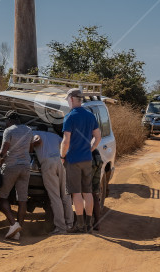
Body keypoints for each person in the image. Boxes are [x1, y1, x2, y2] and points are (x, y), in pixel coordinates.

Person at [59, 88, 101, 233]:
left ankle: (80, 225)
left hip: (73, 159)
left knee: (76, 193)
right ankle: (89, 224)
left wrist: (62, 156)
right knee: (87, 192)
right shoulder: (90, 116)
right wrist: (90, 148)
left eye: (68, 100)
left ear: (71, 99)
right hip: (87, 159)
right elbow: (98, 136)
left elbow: (66, 141)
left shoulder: (69, 117)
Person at [0, 110, 33, 240]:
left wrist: (0, 160)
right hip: (25, 167)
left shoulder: (9, 130)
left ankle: (13, 224)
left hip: (11, 166)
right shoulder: (29, 130)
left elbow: (3, 151)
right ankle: (18, 231)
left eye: (6, 120)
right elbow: (30, 148)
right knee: (22, 199)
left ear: (10, 120)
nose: (6, 123)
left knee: (1, 197)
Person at [31, 130, 74, 235]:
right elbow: (67, 144)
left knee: (55, 197)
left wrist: (30, 146)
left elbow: (37, 140)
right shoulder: (54, 135)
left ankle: (61, 228)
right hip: (61, 162)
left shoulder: (34, 133)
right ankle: (70, 224)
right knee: (66, 195)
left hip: (48, 163)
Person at [90, 149, 104, 231]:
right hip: (97, 155)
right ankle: (97, 223)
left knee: (84, 193)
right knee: (94, 193)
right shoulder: (91, 136)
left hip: (87, 158)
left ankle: (83, 223)